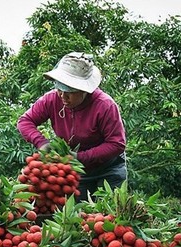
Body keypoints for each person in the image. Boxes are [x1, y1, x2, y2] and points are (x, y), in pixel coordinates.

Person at [17, 52, 127, 201]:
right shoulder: (51, 100)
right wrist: (41, 143)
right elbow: (25, 121)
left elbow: (116, 144)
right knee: (81, 217)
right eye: (59, 90)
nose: (63, 97)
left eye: (69, 92)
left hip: (109, 169)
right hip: (77, 172)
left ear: (84, 91)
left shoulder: (104, 106)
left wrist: (81, 157)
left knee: (109, 215)